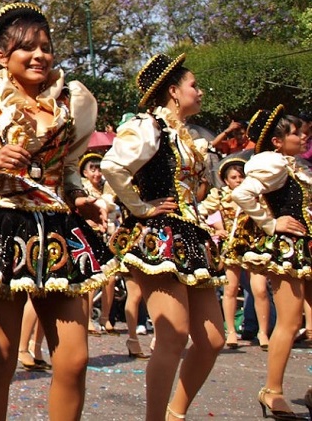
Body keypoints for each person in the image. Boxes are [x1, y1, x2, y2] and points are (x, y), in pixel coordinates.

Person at [0, 3, 116, 420]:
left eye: (46, 48)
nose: (39, 56)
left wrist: (78, 195)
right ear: (2, 56)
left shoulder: (72, 100)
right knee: (0, 360)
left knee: (74, 359)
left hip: (58, 232)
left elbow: (69, 168)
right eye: (27, 48)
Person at [101, 53, 226, 421]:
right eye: (194, 85)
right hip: (158, 236)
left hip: (190, 237)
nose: (200, 92)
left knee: (213, 340)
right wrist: (140, 207)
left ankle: (176, 414)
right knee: (172, 336)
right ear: (173, 91)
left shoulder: (185, 136)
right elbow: (112, 166)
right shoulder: (148, 125)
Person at [228, 106, 311, 419]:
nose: (303, 137)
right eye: (296, 132)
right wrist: (272, 223)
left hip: (306, 247)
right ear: (276, 141)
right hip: (288, 251)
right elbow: (244, 194)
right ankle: (272, 391)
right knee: (289, 322)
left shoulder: (296, 166)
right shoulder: (272, 163)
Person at [199, 156, 271, 350]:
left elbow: (269, 214)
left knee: (260, 290)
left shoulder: (255, 195)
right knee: (230, 289)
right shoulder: (220, 196)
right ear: (226, 180)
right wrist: (214, 231)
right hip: (231, 247)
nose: (238, 180)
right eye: (234, 177)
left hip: (254, 246)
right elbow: (201, 212)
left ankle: (263, 332)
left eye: (241, 177)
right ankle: (230, 331)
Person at [79, 152, 119, 335]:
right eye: (92, 169)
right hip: (86, 237)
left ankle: (105, 318)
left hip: (104, 237)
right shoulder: (82, 189)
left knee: (110, 278)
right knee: (92, 279)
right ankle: (86, 319)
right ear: (85, 172)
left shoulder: (105, 190)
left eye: (98, 169)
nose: (96, 173)